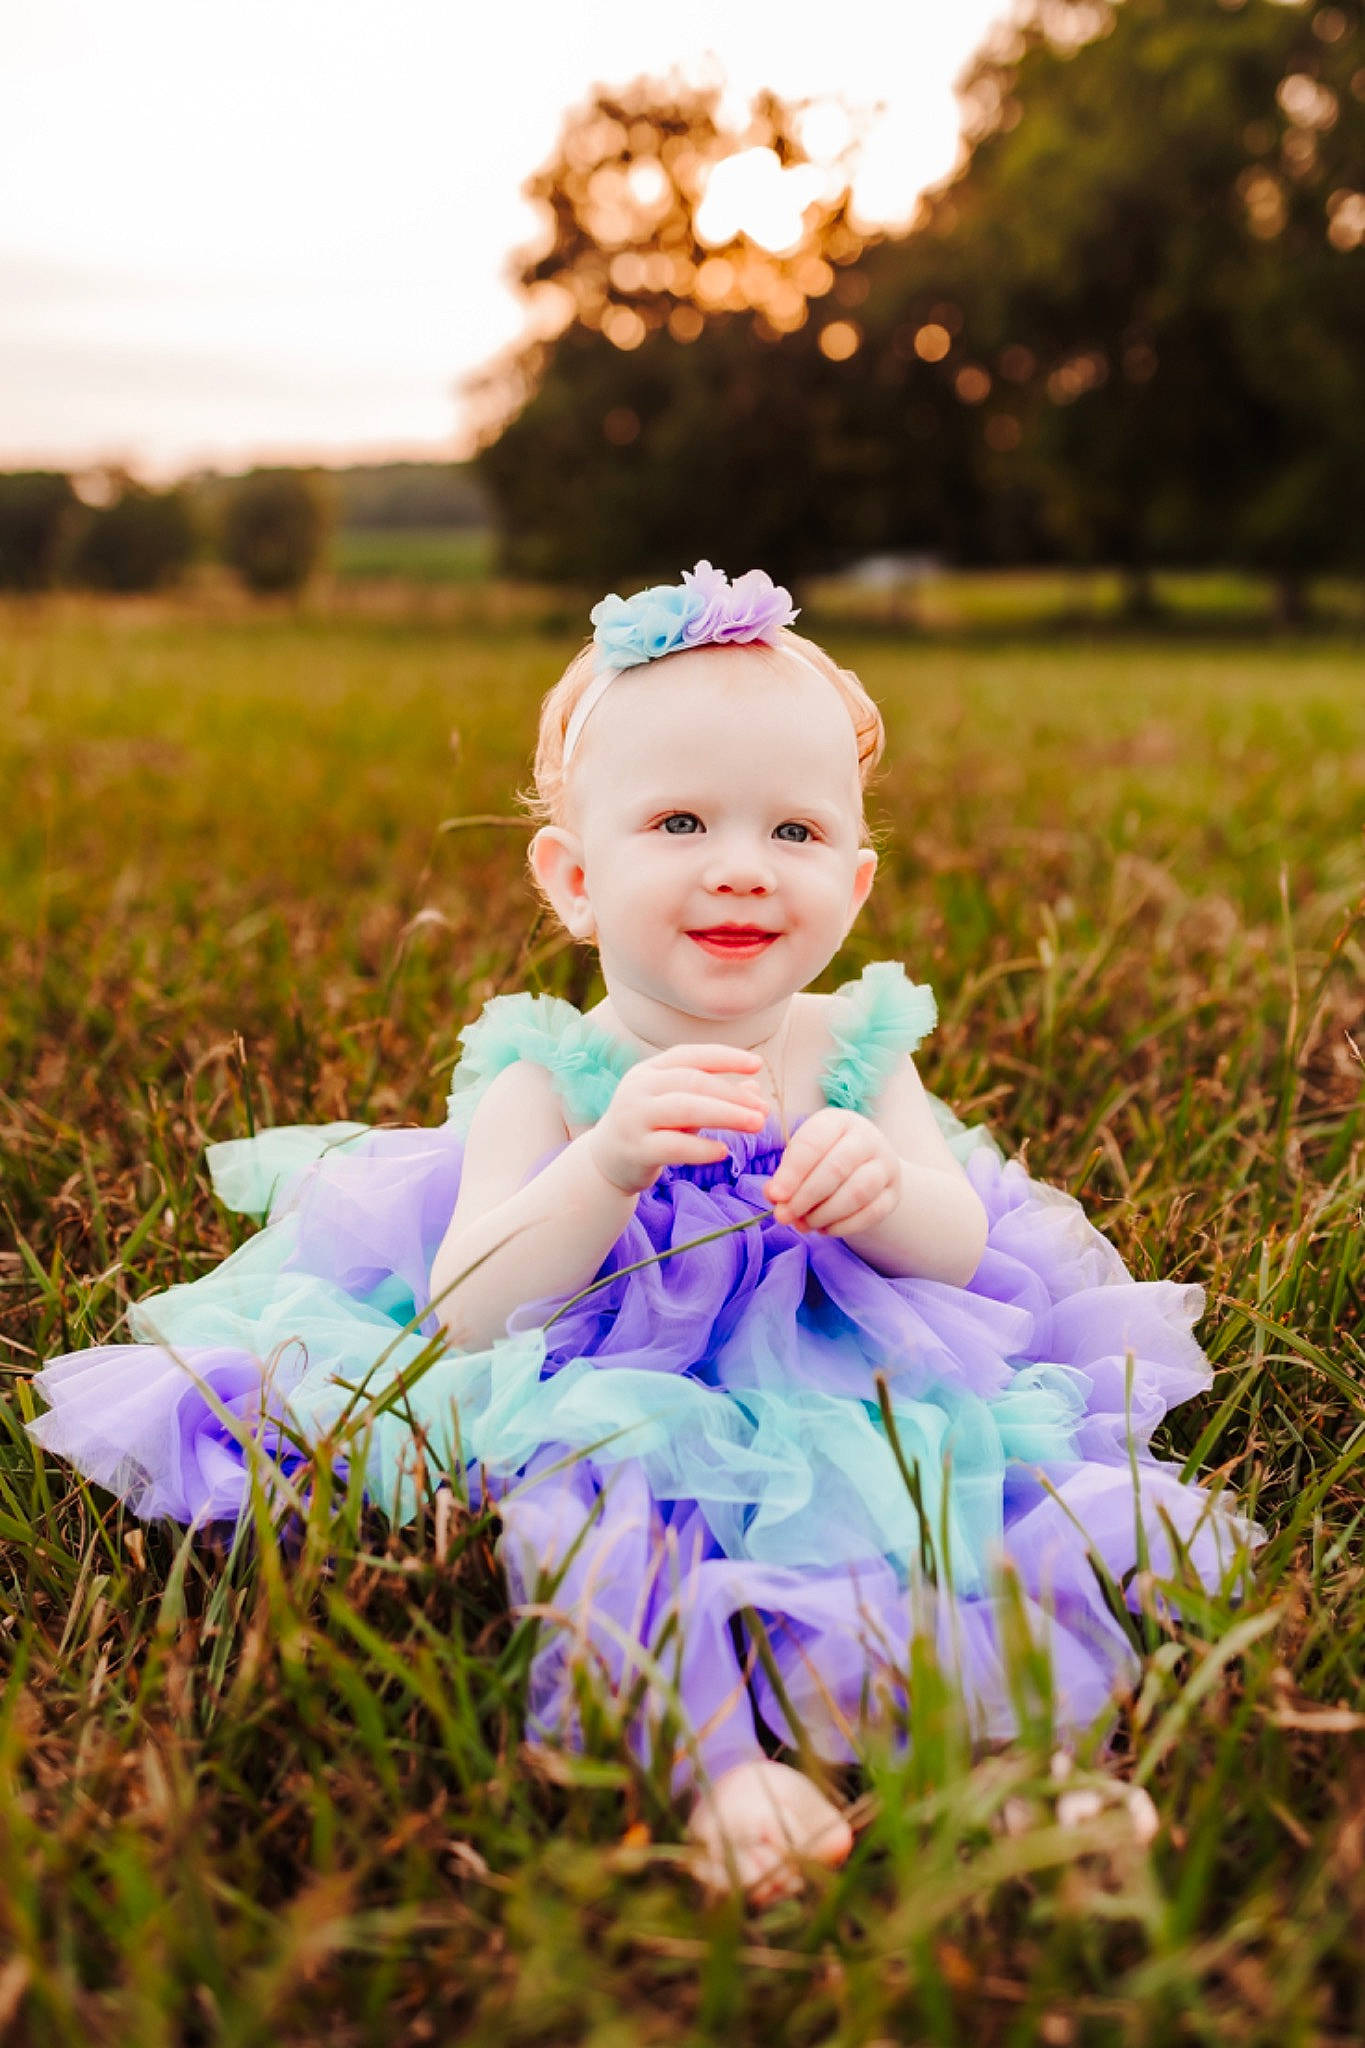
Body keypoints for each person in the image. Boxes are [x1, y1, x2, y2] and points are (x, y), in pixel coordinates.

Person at [27, 561, 1256, 1902]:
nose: (739, 866)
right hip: (617, 1377)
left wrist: (885, 1188)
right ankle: (722, 1769)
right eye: (678, 821)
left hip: (851, 1365)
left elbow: (957, 1248)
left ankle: (1005, 1747)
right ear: (570, 878)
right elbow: (468, 1308)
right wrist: (604, 1164)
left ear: (851, 885)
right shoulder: (547, 1074)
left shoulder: (855, 1046)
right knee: (611, 1517)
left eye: (791, 834)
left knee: (950, 1497)